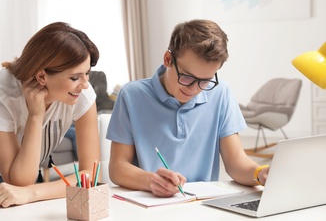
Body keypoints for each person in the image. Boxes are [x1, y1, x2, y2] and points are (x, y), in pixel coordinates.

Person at [0, 22, 101, 220]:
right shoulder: (0, 94)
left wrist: (33, 193)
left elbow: (90, 173)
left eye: (87, 74)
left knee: (16, 211)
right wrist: (35, 115)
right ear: (42, 76)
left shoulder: (82, 93)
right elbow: (20, 182)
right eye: (75, 77)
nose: (85, 85)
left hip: (12, 157)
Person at [106, 19, 270, 198]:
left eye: (205, 80)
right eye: (186, 77)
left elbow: (236, 161)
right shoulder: (132, 95)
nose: (194, 89)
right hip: (150, 203)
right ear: (168, 59)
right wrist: (151, 181)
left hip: (201, 205)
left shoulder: (220, 92)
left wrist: (259, 173)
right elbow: (118, 168)